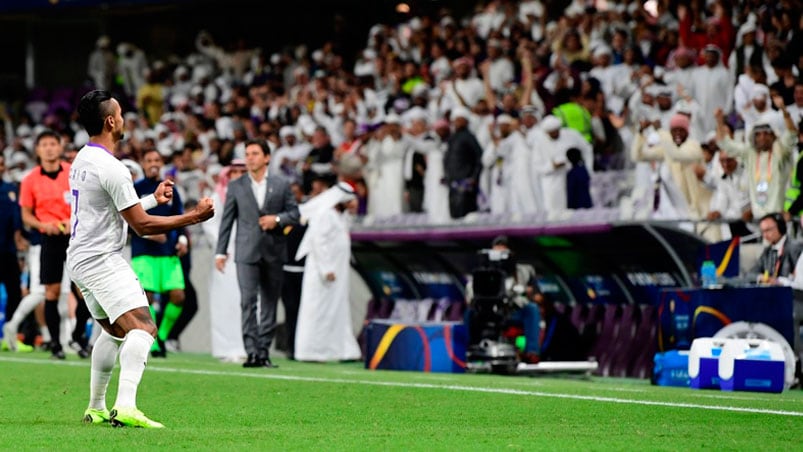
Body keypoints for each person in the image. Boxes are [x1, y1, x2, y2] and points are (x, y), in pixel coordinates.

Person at [67, 89, 214, 428]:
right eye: (120, 113)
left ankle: (97, 406)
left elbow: (111, 208)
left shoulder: (83, 158)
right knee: (145, 328)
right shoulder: (114, 168)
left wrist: (150, 199)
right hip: (102, 259)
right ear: (110, 121)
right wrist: (192, 216)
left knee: (114, 332)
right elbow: (141, 226)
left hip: (80, 259)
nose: (124, 119)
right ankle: (126, 406)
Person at [215, 139, 299, 369]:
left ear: (267, 158)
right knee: (248, 302)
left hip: (274, 251)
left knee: (270, 304)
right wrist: (220, 252)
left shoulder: (282, 184)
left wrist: (277, 219)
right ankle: (252, 352)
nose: (249, 157)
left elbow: (295, 213)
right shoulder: (236, 185)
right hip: (246, 251)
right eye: (247, 153)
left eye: (254, 153)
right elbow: (227, 221)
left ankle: (263, 352)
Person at [19, 130, 90, 359]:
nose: (49, 148)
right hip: (49, 238)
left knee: (85, 290)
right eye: (44, 144)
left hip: (75, 236)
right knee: (52, 291)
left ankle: (79, 337)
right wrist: (42, 225)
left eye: (53, 143)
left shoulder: (73, 173)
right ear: (38, 150)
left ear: (60, 147)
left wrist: (73, 221)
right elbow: (26, 215)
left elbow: (86, 204)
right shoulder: (30, 179)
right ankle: (56, 345)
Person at [293, 181, 361, 362]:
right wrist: (326, 269)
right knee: (318, 310)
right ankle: (311, 350)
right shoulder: (325, 214)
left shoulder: (338, 215)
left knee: (336, 310)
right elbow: (318, 242)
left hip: (337, 273)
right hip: (322, 273)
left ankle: (341, 350)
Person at [130, 148, 189, 357]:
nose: (153, 163)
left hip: (168, 252)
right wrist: (148, 234)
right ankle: (153, 342)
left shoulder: (171, 189)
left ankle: (161, 335)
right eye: (149, 160)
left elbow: (180, 217)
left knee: (178, 296)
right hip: (144, 252)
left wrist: (182, 239)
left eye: (157, 159)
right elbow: (126, 222)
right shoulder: (135, 189)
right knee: (147, 297)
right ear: (143, 163)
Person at [464, 235, 541, 364]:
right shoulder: (482, 272)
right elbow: (470, 295)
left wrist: (527, 292)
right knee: (469, 313)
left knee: (532, 309)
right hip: (486, 311)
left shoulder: (524, 271)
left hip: (512, 311)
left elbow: (538, 297)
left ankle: (531, 352)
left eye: (502, 253)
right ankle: (467, 350)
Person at [202, 160, 247, 362]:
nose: (237, 174)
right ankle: (224, 348)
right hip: (225, 257)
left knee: (244, 302)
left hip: (247, 255)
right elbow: (209, 224)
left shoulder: (253, 193)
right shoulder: (218, 196)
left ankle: (244, 347)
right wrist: (222, 247)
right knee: (224, 302)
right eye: (234, 171)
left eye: (241, 171)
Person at [749, 213, 803, 285]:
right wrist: (761, 277)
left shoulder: (795, 247)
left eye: (768, 230)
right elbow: (750, 275)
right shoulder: (768, 251)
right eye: (763, 232)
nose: (765, 235)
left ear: (780, 227)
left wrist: (779, 282)